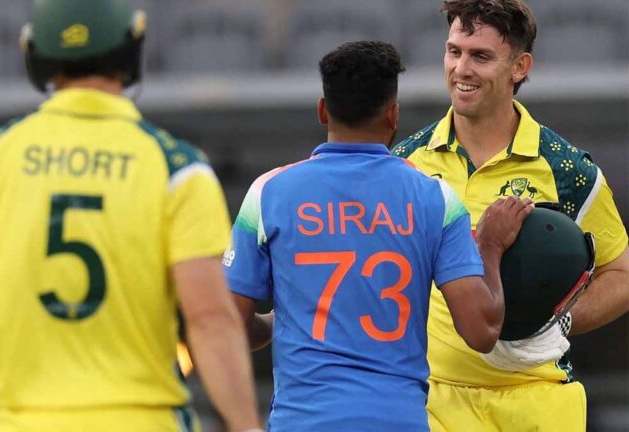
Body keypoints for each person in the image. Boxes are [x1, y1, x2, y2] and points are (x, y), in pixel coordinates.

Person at [0, 0, 262, 432]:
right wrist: (246, 425)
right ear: (132, 47)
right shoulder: (177, 167)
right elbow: (210, 321)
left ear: (34, 55)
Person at [223, 40, 534, 431]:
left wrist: (275, 325)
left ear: (323, 110)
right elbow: (481, 331)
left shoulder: (268, 193)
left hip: (303, 421)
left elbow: (227, 325)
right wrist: (490, 244)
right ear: (393, 115)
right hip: (396, 420)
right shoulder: (435, 198)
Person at [392, 0, 629, 431]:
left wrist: (557, 323)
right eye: (454, 51)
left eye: (480, 56)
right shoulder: (405, 164)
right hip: (434, 402)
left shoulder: (566, 169)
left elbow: (622, 274)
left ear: (520, 66)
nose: (461, 69)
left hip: (539, 401)